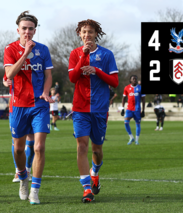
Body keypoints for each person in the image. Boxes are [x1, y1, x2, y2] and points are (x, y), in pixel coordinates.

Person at [4, 11, 53, 204]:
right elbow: (9, 75)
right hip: (18, 106)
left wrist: (46, 92)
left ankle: (35, 190)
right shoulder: (9, 49)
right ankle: (23, 177)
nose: (27, 32)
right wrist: (25, 53)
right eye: (24, 28)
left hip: (39, 105)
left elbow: (48, 75)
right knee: (18, 149)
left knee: (39, 147)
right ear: (18, 30)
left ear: (35, 30)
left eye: (31, 29)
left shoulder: (43, 50)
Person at [68, 19, 119, 203]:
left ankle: (95, 172)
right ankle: (87, 189)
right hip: (80, 108)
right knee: (82, 146)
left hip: (99, 108)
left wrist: (97, 70)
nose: (87, 35)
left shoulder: (107, 55)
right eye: (83, 32)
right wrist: (83, 56)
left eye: (90, 31)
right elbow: (73, 78)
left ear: (96, 33)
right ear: (79, 34)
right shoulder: (75, 54)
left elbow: (114, 82)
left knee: (97, 150)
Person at [3, 74, 34, 183]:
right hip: (16, 107)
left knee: (32, 139)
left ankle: (28, 170)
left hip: (33, 105)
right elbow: (5, 77)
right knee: (16, 141)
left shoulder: (36, 61)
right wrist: (5, 82)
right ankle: (18, 171)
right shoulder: (13, 63)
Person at [121, 75, 145, 145]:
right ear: (130, 80)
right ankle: (131, 137)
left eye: (136, 79)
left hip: (137, 109)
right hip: (129, 109)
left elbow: (143, 100)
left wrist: (143, 110)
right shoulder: (126, 88)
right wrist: (122, 108)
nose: (135, 80)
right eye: (133, 79)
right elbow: (124, 98)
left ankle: (137, 140)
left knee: (138, 124)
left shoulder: (140, 88)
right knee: (126, 122)